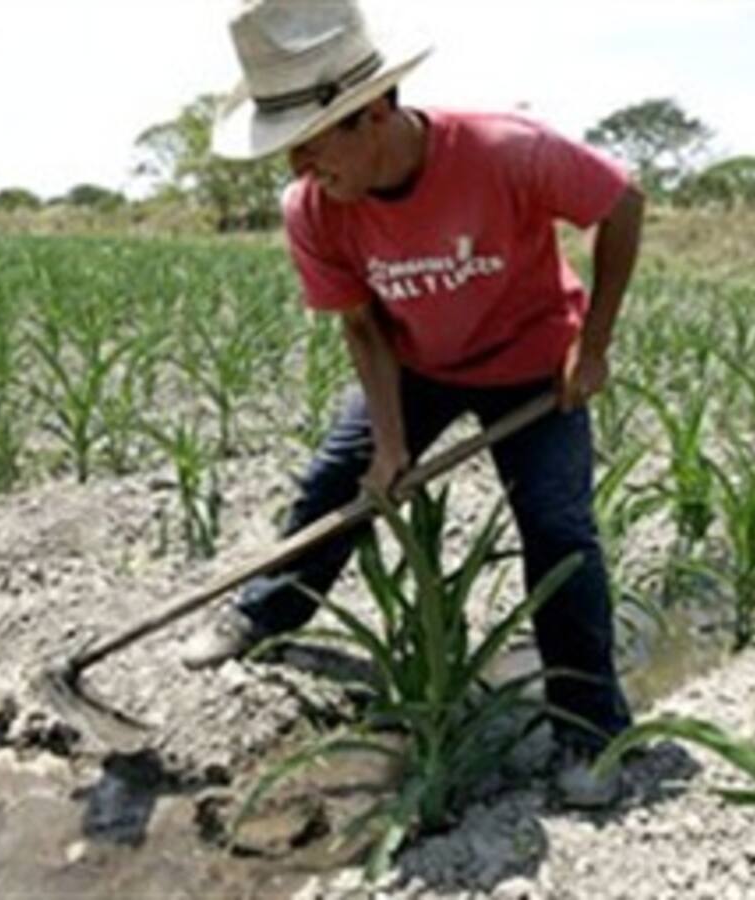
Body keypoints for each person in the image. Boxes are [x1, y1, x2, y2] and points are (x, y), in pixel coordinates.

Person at [179, 0, 645, 807]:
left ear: (373, 112)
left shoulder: (506, 149)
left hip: (536, 367)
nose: (297, 171)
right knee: (337, 482)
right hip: (417, 365)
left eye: (309, 145)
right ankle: (268, 612)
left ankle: (590, 727)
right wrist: (391, 446)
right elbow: (362, 328)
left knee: (559, 529)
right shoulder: (314, 209)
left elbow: (622, 203)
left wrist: (592, 343)